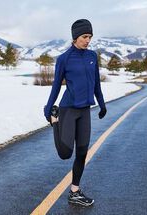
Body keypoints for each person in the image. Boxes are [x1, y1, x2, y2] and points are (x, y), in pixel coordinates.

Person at [43, 19, 107, 207]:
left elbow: (96, 83)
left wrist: (102, 104)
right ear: (75, 37)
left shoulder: (92, 56)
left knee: (81, 152)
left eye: (90, 37)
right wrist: (48, 108)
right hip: (68, 109)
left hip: (85, 110)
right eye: (84, 37)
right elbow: (56, 85)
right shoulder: (64, 59)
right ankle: (55, 122)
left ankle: (75, 192)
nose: (88, 40)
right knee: (65, 152)